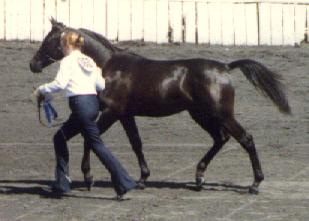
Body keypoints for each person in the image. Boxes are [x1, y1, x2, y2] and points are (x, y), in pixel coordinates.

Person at [33, 31, 136, 200]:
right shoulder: (89, 60)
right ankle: (62, 183)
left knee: (96, 145)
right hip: (92, 105)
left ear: (67, 45)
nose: (60, 48)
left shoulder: (67, 61)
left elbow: (60, 84)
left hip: (80, 107)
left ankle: (123, 182)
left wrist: (41, 89)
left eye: (61, 45)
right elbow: (101, 85)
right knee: (60, 138)